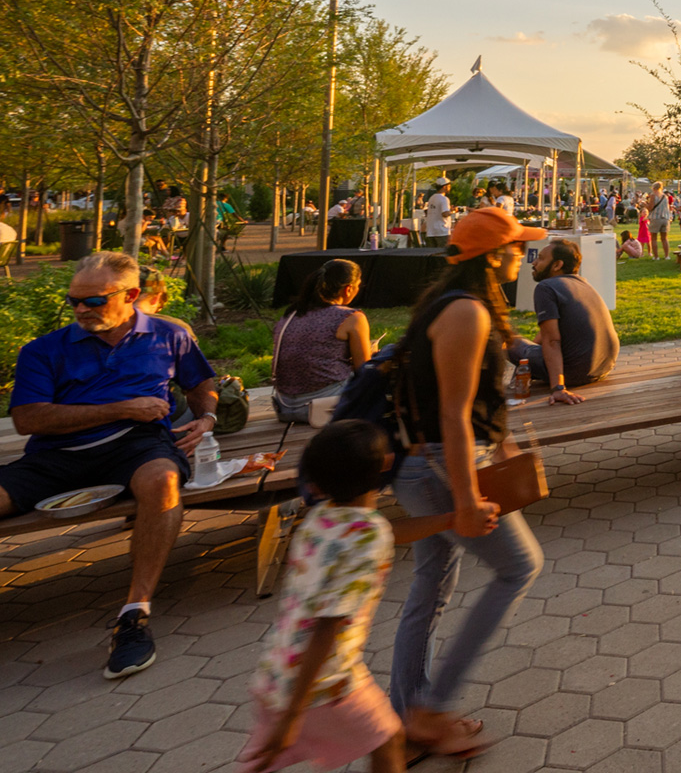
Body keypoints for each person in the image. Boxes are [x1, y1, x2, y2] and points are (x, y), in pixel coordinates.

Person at [0, 251, 219, 678]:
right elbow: (28, 419)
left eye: (94, 301)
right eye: (74, 301)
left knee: (162, 480)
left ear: (132, 295)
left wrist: (206, 419)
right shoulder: (44, 350)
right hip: (56, 455)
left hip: (136, 446)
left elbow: (202, 383)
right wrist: (122, 408)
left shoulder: (168, 336)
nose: (81, 310)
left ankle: (134, 615)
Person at [388, 209, 546, 758]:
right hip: (438, 467)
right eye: (518, 249)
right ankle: (431, 711)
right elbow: (452, 415)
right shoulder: (465, 313)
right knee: (519, 566)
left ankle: (406, 717)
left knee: (431, 585)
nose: (523, 257)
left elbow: (469, 403)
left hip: (428, 461)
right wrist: (465, 500)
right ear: (494, 257)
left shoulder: (455, 304)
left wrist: (503, 449)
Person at [239, 421, 405, 773]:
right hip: (326, 682)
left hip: (277, 669)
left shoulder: (319, 519)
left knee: (262, 759)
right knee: (387, 738)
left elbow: (382, 535)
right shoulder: (371, 534)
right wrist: (293, 715)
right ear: (385, 466)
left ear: (314, 483)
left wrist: (449, 520)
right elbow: (327, 625)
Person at [507, 240, 618, 404]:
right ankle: (527, 367)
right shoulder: (583, 283)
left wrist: (558, 388)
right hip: (602, 368)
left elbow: (552, 340)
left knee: (504, 340)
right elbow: (547, 332)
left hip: (574, 372)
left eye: (541, 259)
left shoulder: (546, 287)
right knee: (528, 348)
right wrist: (530, 355)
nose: (534, 263)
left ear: (557, 265)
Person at [272, 259, 372, 423]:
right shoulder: (351, 317)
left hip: (285, 407)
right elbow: (364, 369)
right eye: (358, 285)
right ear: (348, 289)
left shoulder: (291, 314)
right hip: (326, 407)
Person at [424, 178, 452, 248]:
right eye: (449, 186)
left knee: (432, 254)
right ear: (444, 186)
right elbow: (445, 214)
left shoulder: (432, 198)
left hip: (431, 231)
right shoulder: (444, 199)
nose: (450, 187)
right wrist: (452, 211)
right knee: (442, 254)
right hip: (441, 231)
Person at [646, 186, 672, 260]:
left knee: (654, 238)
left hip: (656, 217)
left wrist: (645, 205)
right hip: (665, 218)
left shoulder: (653, 195)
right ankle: (667, 256)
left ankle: (656, 256)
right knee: (664, 238)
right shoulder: (665, 196)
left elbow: (650, 207)